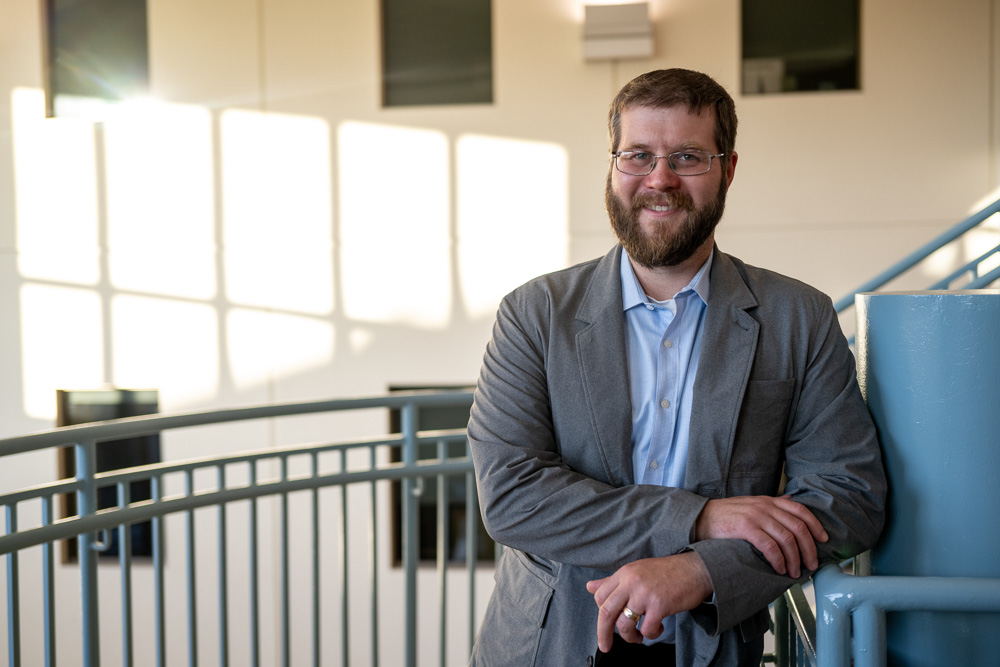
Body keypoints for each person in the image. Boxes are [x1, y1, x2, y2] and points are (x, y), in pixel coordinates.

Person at [467, 68, 887, 667]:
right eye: (638, 155)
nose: (659, 179)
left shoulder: (801, 317)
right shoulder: (534, 314)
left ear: (729, 169)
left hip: (713, 643)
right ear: (613, 165)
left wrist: (702, 570)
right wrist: (700, 520)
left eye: (687, 157)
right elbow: (512, 496)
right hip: (549, 644)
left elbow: (848, 498)